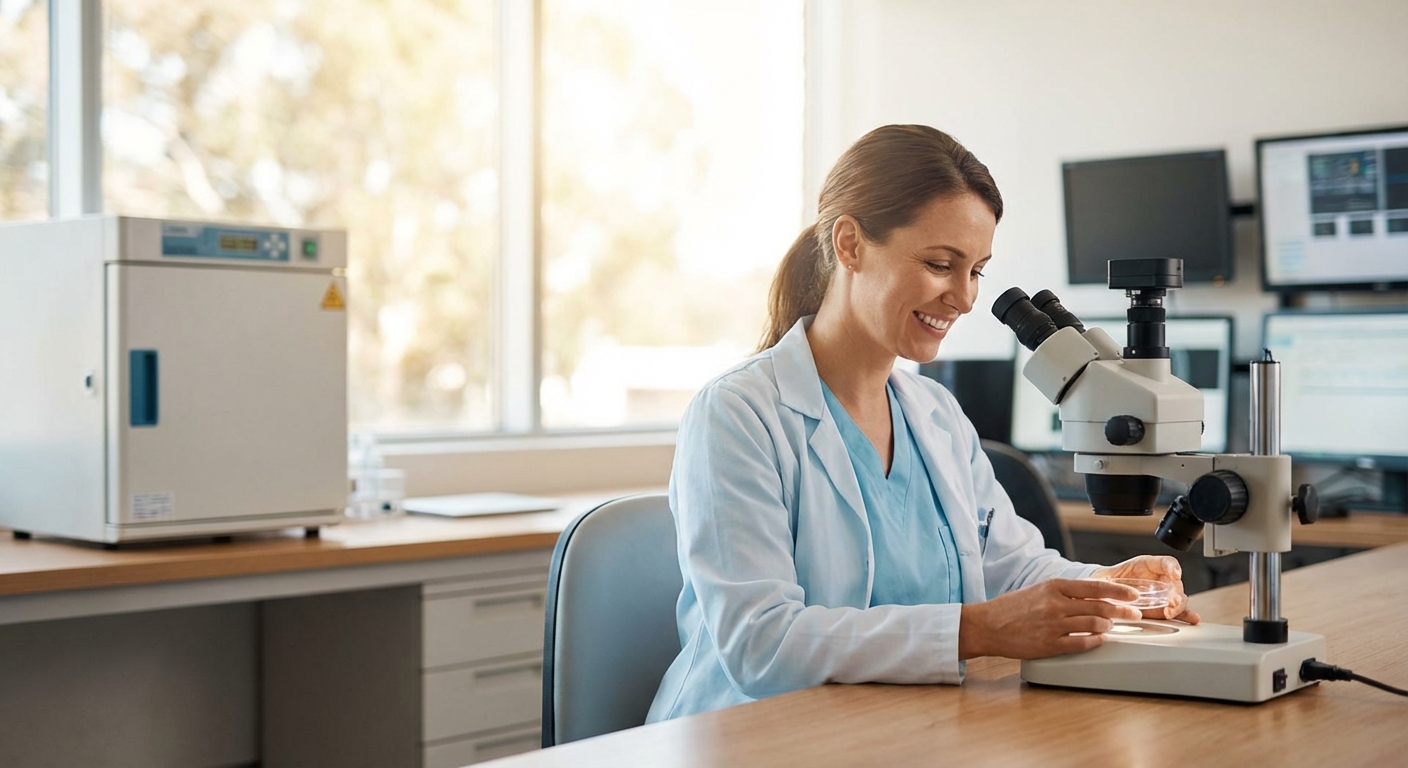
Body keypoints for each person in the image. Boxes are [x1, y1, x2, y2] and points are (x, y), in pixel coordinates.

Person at [645, 124, 1200, 723]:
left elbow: (1011, 566)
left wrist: (1108, 588)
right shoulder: (738, 414)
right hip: (753, 734)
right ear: (851, 244)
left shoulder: (934, 415)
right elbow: (763, 644)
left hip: (894, 730)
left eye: (977, 271)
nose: (963, 298)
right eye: (941, 264)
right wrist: (976, 630)